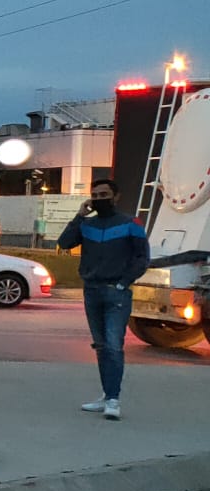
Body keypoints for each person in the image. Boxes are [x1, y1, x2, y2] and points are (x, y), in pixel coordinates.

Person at [57, 179, 149, 420]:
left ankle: (113, 399)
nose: (99, 198)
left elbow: (142, 257)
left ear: (116, 196)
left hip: (116, 291)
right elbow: (64, 243)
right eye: (95, 194)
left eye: (104, 194)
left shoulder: (131, 223)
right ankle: (107, 394)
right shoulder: (88, 225)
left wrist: (123, 282)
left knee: (113, 345)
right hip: (92, 290)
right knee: (100, 346)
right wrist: (79, 216)